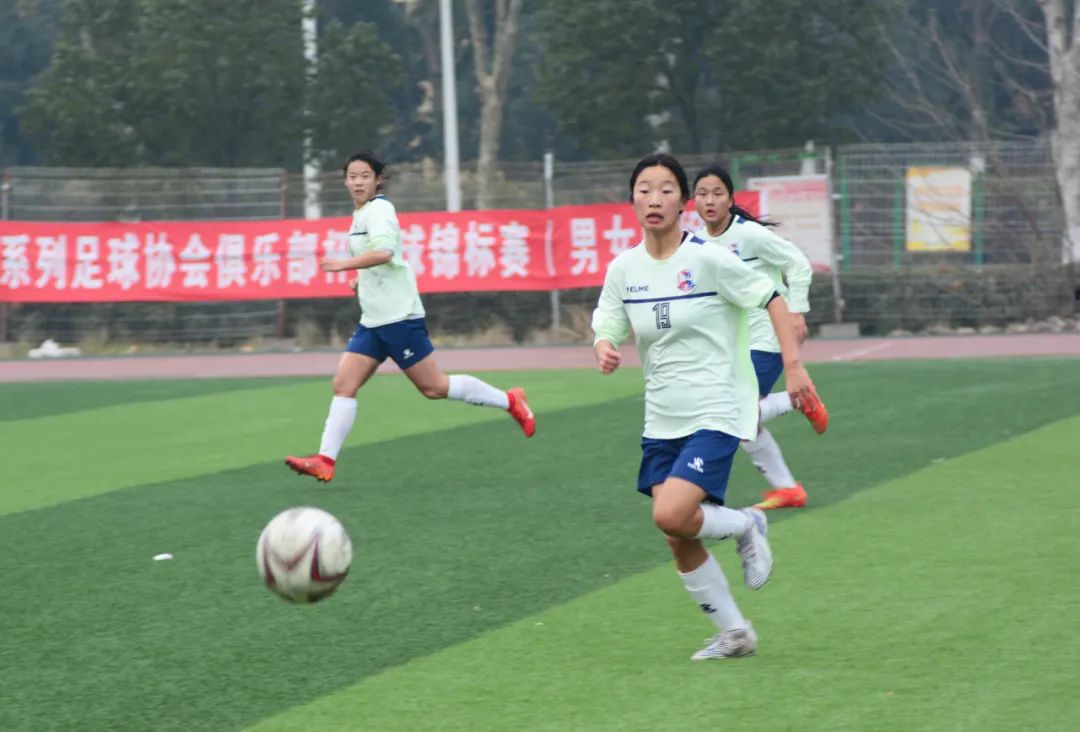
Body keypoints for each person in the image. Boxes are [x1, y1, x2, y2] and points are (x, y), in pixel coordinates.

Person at [592, 153, 819, 660]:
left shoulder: (708, 258)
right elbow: (608, 319)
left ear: (683, 203)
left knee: (671, 512)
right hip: (661, 417)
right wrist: (604, 344)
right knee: (677, 533)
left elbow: (771, 297)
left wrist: (794, 364)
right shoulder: (624, 269)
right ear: (632, 200)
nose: (654, 199)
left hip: (717, 409)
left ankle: (746, 524)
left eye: (666, 189)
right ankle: (735, 633)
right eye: (645, 189)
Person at [285, 151, 535, 483]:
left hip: (399, 317)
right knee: (343, 384)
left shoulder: (380, 210)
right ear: (345, 181)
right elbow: (379, 260)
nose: (358, 182)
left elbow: (385, 252)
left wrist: (343, 265)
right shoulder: (360, 215)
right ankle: (325, 460)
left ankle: (510, 400)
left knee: (434, 388)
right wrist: (361, 279)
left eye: (365, 176)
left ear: (378, 180)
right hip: (373, 320)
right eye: (352, 176)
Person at [692, 165, 828, 511]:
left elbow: (798, 263)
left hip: (768, 334)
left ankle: (799, 399)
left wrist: (797, 311)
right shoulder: (697, 243)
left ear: (730, 199)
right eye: (702, 194)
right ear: (693, 201)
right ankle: (789, 490)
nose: (710, 200)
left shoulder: (749, 235)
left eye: (717, 193)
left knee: (736, 412)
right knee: (742, 421)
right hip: (733, 343)